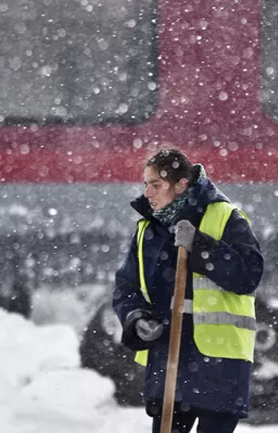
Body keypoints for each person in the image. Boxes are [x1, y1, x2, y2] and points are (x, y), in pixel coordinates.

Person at [112, 147, 264, 433]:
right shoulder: (148, 230)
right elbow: (126, 288)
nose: (147, 193)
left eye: (156, 185)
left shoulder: (225, 216)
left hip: (219, 367)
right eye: (145, 184)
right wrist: (136, 318)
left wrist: (201, 246)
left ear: (181, 185)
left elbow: (248, 275)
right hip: (168, 363)